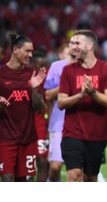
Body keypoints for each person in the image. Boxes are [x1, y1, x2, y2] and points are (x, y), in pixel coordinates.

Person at [58, 29, 107, 182]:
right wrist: (81, 95)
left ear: (90, 45)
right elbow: (61, 102)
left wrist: (92, 91)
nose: (73, 47)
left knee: (91, 178)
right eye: (71, 43)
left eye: (77, 43)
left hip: (97, 135)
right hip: (72, 134)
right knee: (74, 175)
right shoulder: (67, 70)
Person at [0, 34, 46, 182]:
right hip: (6, 138)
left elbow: (40, 108)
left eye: (32, 51)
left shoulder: (31, 73)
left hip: (28, 139)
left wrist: (33, 89)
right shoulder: (1, 74)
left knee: (26, 181)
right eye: (27, 51)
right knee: (7, 178)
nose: (30, 55)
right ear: (15, 50)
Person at [44, 42, 75, 182]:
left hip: (79, 124)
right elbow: (48, 95)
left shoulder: (87, 67)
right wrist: (64, 83)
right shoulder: (57, 66)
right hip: (58, 123)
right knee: (55, 166)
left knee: (77, 170)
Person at [29, 47, 50, 182]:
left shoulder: (50, 78)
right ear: (32, 65)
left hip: (42, 124)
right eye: (38, 66)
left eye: (44, 66)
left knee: (43, 161)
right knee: (28, 164)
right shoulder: (27, 78)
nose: (41, 69)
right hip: (27, 124)